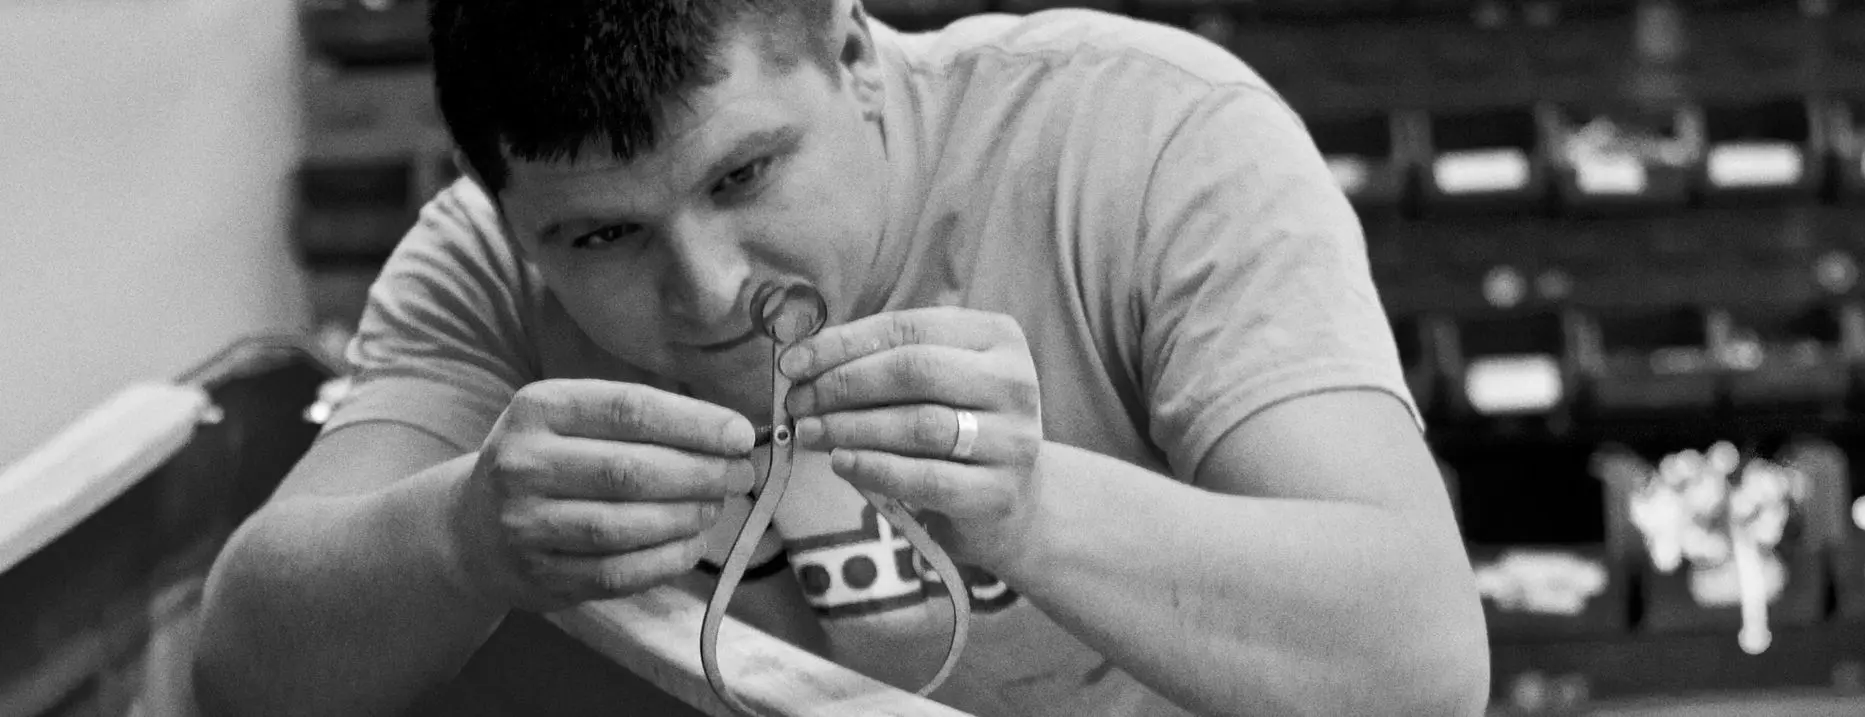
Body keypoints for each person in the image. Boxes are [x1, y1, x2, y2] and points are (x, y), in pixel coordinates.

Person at [193, 1, 1489, 715]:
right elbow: (246, 669)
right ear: (512, 220)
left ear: (856, 57)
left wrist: (1037, 508)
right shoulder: (477, 266)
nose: (710, 290)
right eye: (603, 235)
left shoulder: (1148, 140)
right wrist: (457, 538)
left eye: (747, 172)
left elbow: (1421, 666)